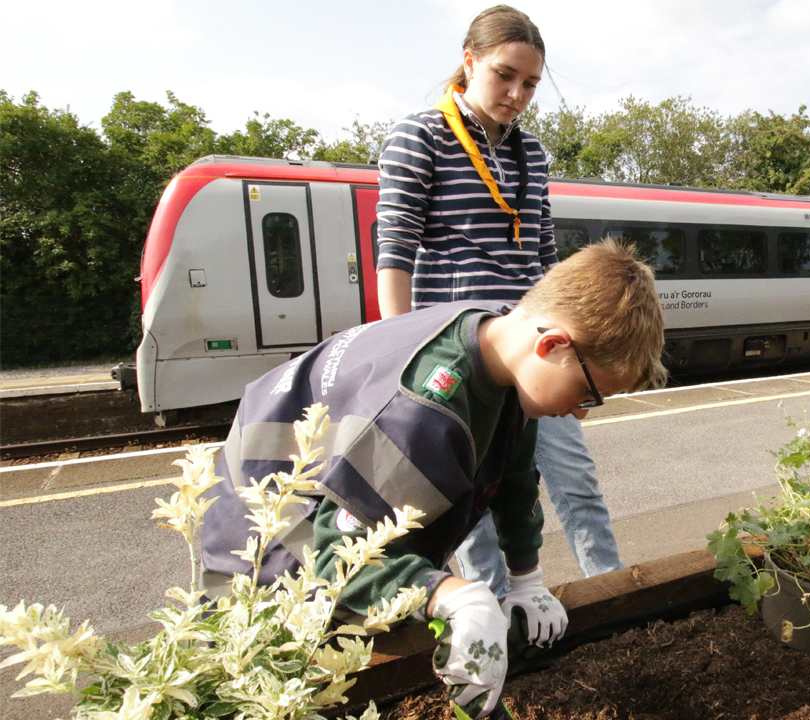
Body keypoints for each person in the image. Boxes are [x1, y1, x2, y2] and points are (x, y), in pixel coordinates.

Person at [201, 240, 667, 718]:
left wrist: (527, 577)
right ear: (551, 345)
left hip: (345, 500)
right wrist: (450, 595)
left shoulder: (501, 343)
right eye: (588, 395)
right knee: (300, 683)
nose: (579, 413)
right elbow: (340, 565)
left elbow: (514, 474)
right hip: (268, 536)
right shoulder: (418, 412)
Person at [375, 4, 625, 598]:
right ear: (469, 62)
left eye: (530, 84)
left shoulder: (531, 153)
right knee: (474, 509)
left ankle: (618, 599)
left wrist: (579, 360)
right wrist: (397, 354)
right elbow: (395, 248)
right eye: (503, 75)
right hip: (458, 354)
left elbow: (543, 260)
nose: (516, 93)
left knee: (576, 484)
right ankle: (492, 622)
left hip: (533, 345)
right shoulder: (420, 135)